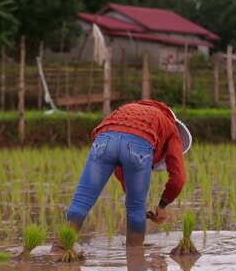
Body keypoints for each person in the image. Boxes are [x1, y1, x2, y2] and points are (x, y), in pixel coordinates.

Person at [56, 99, 192, 248]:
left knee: (81, 200)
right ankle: (135, 256)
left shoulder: (127, 109)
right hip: (139, 143)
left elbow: (121, 167)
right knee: (135, 210)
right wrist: (162, 205)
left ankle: (61, 248)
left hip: (104, 140)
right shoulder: (171, 129)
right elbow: (179, 178)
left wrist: (135, 196)